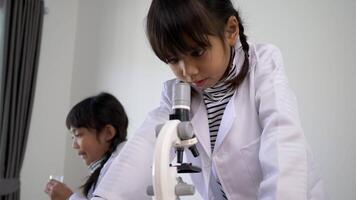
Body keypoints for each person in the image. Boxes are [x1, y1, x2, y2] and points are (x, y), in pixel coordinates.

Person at [93, 0, 326, 199]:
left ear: (231, 31)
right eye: (173, 59)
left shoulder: (263, 66)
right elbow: (145, 147)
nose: (188, 71)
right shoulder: (177, 94)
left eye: (197, 52)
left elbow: (283, 142)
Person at [44, 92, 128, 200]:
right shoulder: (104, 169)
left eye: (78, 134)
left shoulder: (120, 169)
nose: (74, 145)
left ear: (108, 133)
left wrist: (69, 198)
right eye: (73, 137)